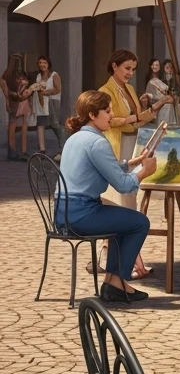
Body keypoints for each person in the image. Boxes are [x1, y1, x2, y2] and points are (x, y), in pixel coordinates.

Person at [57, 90, 156, 303]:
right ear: (92, 115)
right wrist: (144, 172)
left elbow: (107, 167)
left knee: (120, 221)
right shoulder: (97, 142)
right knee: (139, 222)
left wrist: (133, 162)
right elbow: (123, 185)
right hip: (81, 214)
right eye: (107, 111)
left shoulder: (75, 138)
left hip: (62, 212)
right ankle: (117, 282)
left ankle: (113, 283)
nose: (112, 115)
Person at [101, 50, 167, 279]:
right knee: (121, 203)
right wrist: (133, 118)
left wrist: (159, 106)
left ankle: (115, 258)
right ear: (114, 66)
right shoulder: (105, 91)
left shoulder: (129, 89)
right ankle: (125, 261)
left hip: (133, 145)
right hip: (117, 147)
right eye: (127, 68)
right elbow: (110, 120)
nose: (130, 73)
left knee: (128, 200)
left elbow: (139, 118)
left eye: (133, 69)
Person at [145, 59, 177, 126]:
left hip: (164, 99)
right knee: (166, 104)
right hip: (155, 101)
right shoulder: (151, 79)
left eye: (157, 65)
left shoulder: (162, 78)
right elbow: (150, 95)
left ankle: (168, 125)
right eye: (153, 65)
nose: (155, 67)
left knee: (168, 104)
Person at [12, 71, 33, 159]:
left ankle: (22, 150)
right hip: (19, 103)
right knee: (15, 125)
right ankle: (16, 150)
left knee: (24, 125)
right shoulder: (22, 84)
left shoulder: (25, 85)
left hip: (23, 103)